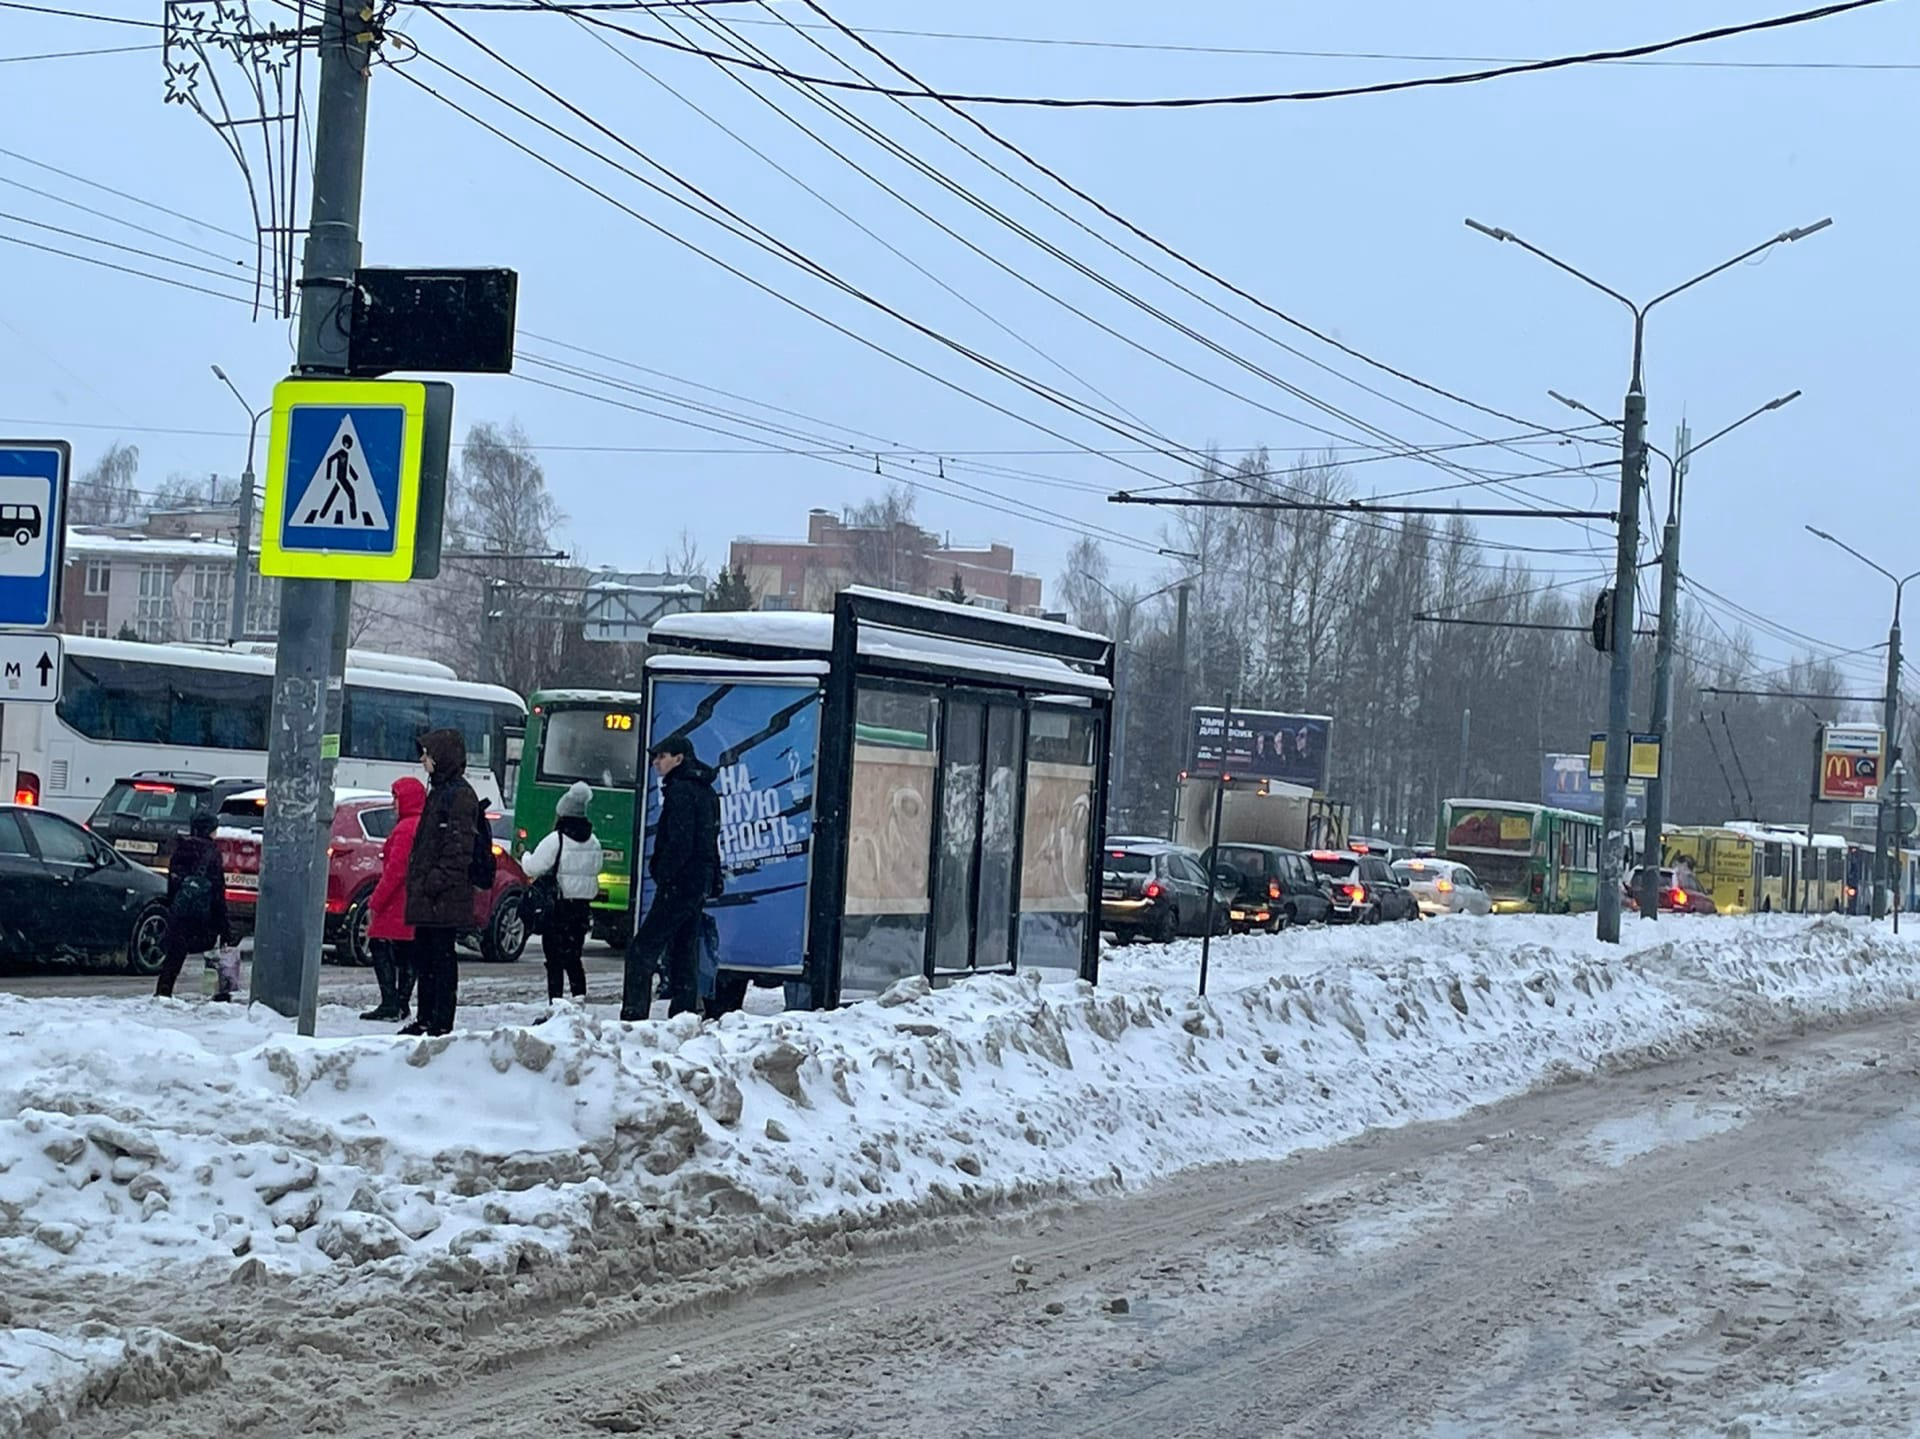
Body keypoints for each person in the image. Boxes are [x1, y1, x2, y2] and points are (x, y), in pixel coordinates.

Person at [622, 735, 721, 1021]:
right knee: (683, 948)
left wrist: (664, 872)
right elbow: (710, 837)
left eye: (661, 756)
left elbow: (680, 841)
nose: (656, 762)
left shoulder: (680, 792)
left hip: (680, 883)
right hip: (697, 881)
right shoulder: (706, 790)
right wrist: (711, 876)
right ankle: (683, 1013)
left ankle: (633, 1015)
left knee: (643, 948)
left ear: (679, 758)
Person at [404, 728, 485, 1037]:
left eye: (428, 754)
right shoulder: (441, 790)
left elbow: (457, 848)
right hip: (433, 894)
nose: (423, 760)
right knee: (426, 957)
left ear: (442, 757)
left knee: (440, 958)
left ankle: (438, 1020)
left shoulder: (458, 794)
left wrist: (432, 881)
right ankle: (427, 1017)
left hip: (442, 896)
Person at [522, 780, 605, 1013]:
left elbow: (533, 868)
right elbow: (596, 868)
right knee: (574, 957)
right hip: (581, 909)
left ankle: (555, 1004)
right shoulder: (594, 842)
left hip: (557, 908)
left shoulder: (555, 840)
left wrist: (526, 855)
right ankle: (579, 1000)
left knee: (554, 961)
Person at [361, 776, 424, 1023]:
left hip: (396, 903)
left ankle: (391, 1003)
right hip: (411, 901)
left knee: (380, 946)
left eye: (396, 797)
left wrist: (376, 900)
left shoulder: (405, 829)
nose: (393, 803)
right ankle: (401, 1003)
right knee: (408, 952)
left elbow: (396, 870)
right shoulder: (420, 825)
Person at [156, 809, 233, 1000]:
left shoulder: (180, 848)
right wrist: (224, 927)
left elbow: (173, 883)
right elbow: (217, 891)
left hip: (181, 912)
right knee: (215, 954)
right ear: (209, 830)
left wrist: (175, 906)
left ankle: (163, 992)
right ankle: (220, 994)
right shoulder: (211, 852)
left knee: (175, 956)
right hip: (203, 914)